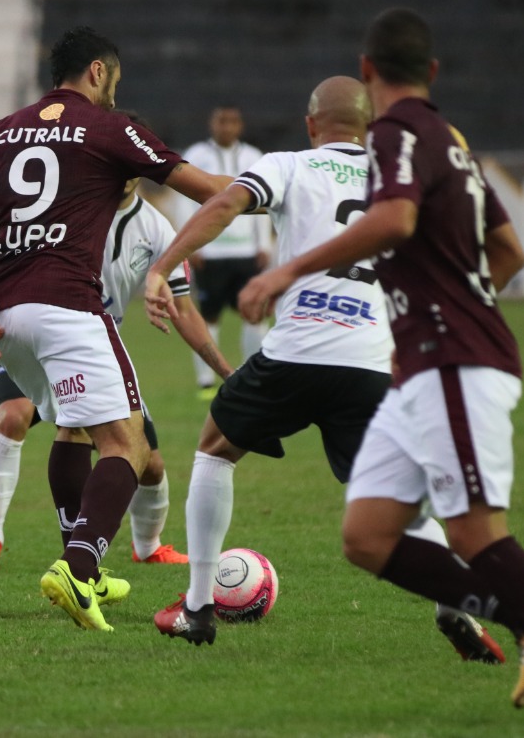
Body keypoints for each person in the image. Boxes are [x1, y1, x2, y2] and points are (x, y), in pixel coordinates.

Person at [238, 8, 524, 726]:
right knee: (368, 535)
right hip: (422, 363)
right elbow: (508, 251)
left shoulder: (392, 134)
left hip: (454, 361)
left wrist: (283, 270)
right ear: (434, 72)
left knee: (476, 528)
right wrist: (451, 299)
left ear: (366, 71)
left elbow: (394, 221)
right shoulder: (450, 140)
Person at [144, 76, 503, 665]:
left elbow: (227, 204)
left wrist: (165, 267)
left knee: (214, 447)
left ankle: (198, 608)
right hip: (369, 361)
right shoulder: (400, 182)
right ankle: (454, 603)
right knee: (400, 504)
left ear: (312, 125)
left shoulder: (288, 164)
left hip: (297, 351)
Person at [0, 26, 229, 631]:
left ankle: (82, 563)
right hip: (67, 307)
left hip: (3, 319)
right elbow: (212, 193)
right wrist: (280, 191)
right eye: (114, 80)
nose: (115, 91)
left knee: (72, 433)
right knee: (131, 445)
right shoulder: (110, 128)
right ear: (97, 71)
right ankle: (79, 567)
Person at [0, 175, 233, 570]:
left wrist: (227, 372)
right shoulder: (65, 206)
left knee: (147, 462)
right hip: (25, 333)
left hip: (92, 349)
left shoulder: (155, 228)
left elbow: (184, 310)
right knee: (16, 414)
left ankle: (147, 545)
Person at [176, 106, 273, 399]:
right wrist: (191, 244)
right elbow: (184, 201)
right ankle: (206, 382)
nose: (226, 127)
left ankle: (252, 374)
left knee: (254, 314)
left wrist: (264, 244)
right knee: (209, 316)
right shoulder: (195, 155)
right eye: (221, 121)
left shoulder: (254, 157)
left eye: (232, 121)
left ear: (240, 125)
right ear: (212, 123)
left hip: (246, 253)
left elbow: (265, 198)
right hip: (210, 252)